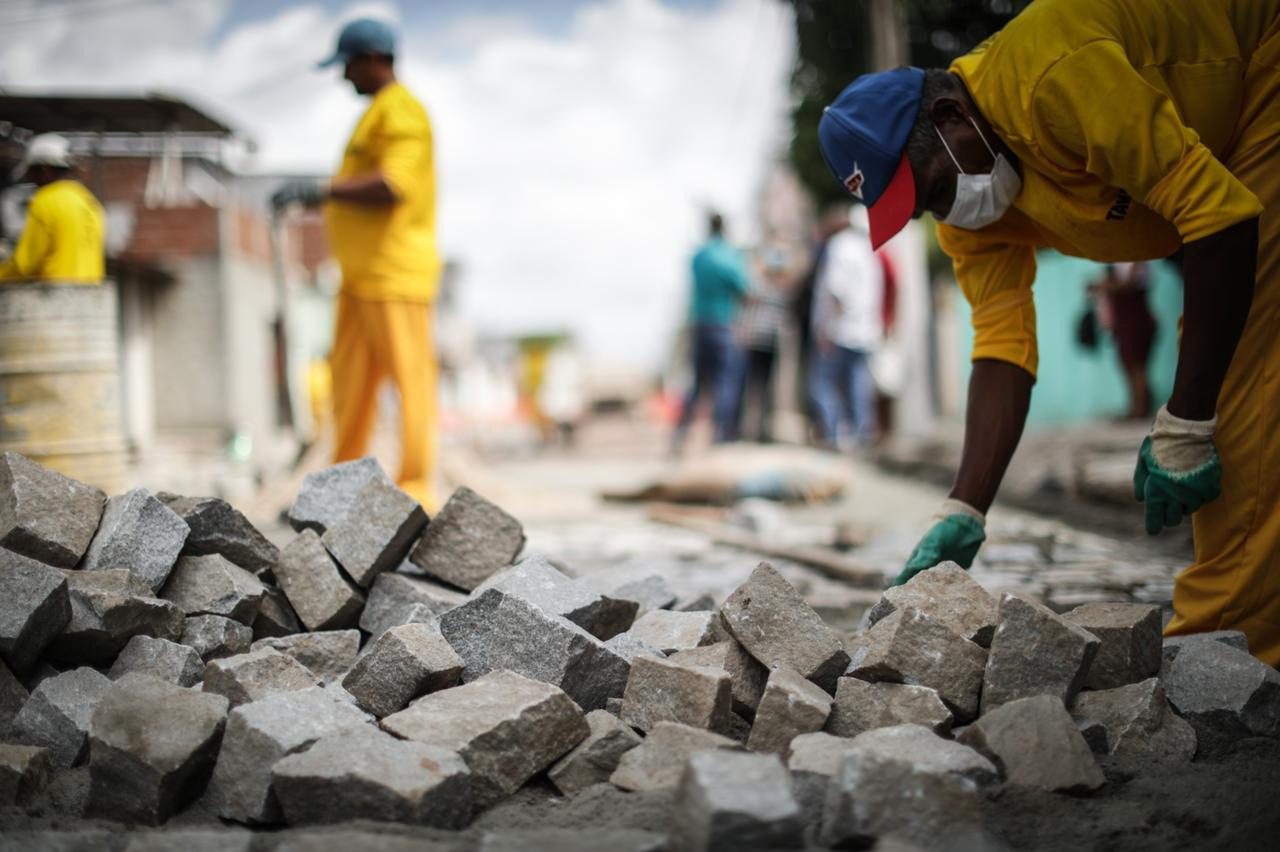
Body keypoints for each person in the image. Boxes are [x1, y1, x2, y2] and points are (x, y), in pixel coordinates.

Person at [817, 0, 1280, 664]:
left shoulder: (1052, 77)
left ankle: (1233, 651)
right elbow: (1002, 346)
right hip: (1212, 135)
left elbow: (1222, 221)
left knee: (1242, 378)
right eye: (923, 210)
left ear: (952, 116)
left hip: (1261, 74)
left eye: (935, 189)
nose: (944, 213)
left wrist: (1187, 420)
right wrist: (964, 509)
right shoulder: (971, 216)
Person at [271, 18, 440, 509]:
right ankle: (338, 490)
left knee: (411, 381)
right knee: (349, 385)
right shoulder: (376, 115)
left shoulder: (402, 112)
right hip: (361, 276)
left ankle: (417, 487)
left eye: (347, 65)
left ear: (371, 58)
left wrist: (317, 190)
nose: (345, 77)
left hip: (396, 273)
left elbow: (392, 186)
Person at [671, 212, 749, 451]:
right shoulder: (730, 256)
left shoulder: (699, 256)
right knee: (726, 381)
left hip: (699, 324)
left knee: (697, 383)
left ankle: (680, 436)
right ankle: (721, 436)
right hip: (723, 324)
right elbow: (745, 288)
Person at [808, 203, 883, 449]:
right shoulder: (871, 251)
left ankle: (831, 434)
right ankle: (862, 436)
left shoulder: (840, 246)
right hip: (865, 331)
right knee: (858, 385)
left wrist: (827, 329)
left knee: (822, 383)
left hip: (840, 330)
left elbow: (836, 290)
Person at [0, 134, 104, 283]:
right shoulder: (89, 202)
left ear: (45, 169)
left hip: (53, 299)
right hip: (89, 298)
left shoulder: (45, 201)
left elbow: (24, 264)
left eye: (32, 173)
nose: (32, 180)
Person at [734, 243, 791, 443]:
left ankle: (760, 430)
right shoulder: (758, 286)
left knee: (765, 388)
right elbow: (747, 311)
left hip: (770, 343)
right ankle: (743, 428)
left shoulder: (782, 291)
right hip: (755, 341)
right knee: (749, 386)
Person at [1089, 262, 1157, 420]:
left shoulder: (1138, 260)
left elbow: (1129, 284)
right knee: (1128, 365)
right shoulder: (1113, 264)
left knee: (1137, 366)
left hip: (1137, 321)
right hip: (1123, 323)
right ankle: (1136, 406)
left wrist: (1103, 286)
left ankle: (1141, 408)